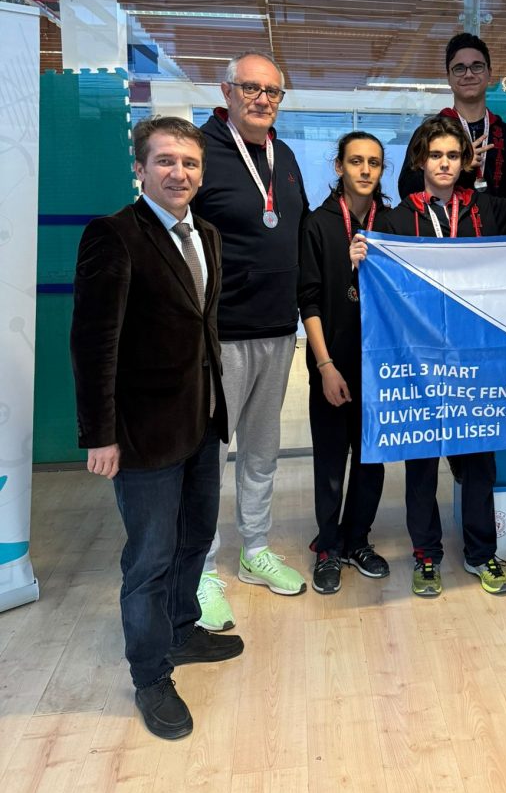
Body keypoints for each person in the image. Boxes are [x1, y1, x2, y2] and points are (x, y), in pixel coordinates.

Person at [70, 117, 242, 740]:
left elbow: (202, 327)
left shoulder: (207, 236)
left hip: (201, 422)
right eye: (165, 161)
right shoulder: (114, 235)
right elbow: (94, 343)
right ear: (140, 168)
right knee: (149, 558)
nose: (179, 173)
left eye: (190, 163)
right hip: (142, 432)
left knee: (195, 539)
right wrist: (100, 433)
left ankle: (180, 630)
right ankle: (150, 675)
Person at [354, 115, 506, 598]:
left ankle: (481, 553)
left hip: (476, 360)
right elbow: (373, 288)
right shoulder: (395, 220)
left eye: (453, 156)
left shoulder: (486, 211)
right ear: (421, 161)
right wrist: (358, 261)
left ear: (466, 162)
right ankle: (425, 554)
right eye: (436, 155)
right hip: (418, 362)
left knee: (479, 461)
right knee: (421, 463)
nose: (444, 164)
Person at [191, 52, 309, 631]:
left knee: (261, 452)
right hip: (221, 335)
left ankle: (255, 549)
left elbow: (296, 229)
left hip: (277, 329)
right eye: (250, 88)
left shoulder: (284, 155)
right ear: (227, 91)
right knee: (209, 457)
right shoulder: (201, 150)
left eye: (272, 91)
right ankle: (200, 568)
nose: (262, 99)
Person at [299, 132, 390, 594]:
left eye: (374, 162)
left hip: (381, 367)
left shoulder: (392, 224)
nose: (365, 170)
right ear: (339, 166)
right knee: (332, 460)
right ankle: (328, 546)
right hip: (335, 362)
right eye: (356, 161)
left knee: (372, 459)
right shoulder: (318, 224)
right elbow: (309, 301)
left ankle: (357, 540)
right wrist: (325, 366)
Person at [397, 32, 506, 199]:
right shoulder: (428, 133)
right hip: (445, 216)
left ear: (489, 73)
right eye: (459, 68)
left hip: (499, 216)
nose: (469, 74)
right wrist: (458, 165)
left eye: (477, 66)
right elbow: (407, 190)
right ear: (448, 77)